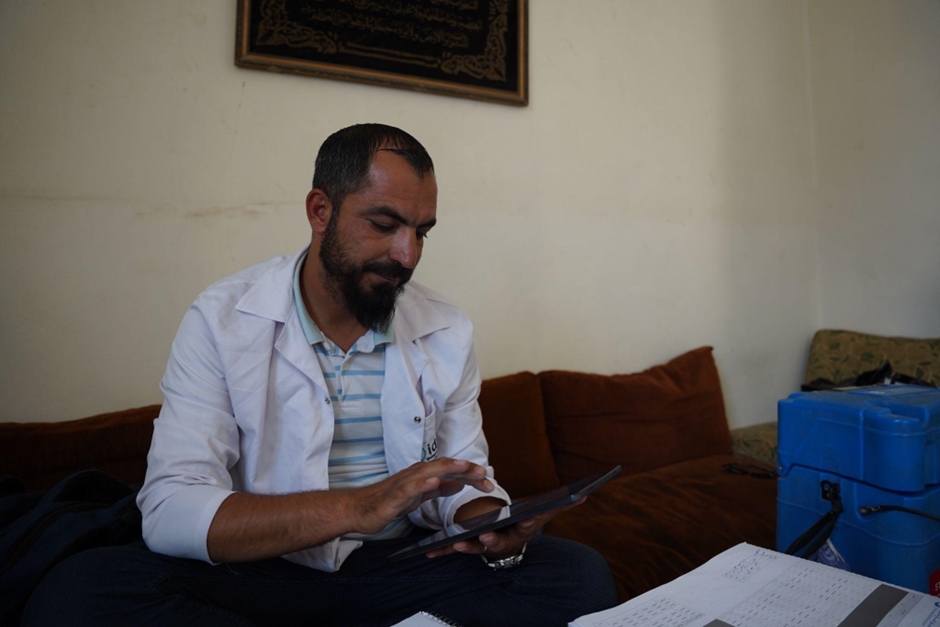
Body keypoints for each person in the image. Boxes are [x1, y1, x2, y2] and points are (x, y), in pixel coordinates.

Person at [25, 124, 616, 626]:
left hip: (396, 571)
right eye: (384, 223)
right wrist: (359, 506)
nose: (407, 254)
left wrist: (486, 520)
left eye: (422, 231)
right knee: (81, 592)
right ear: (319, 210)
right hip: (259, 574)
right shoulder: (223, 318)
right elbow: (172, 507)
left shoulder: (446, 329)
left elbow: (459, 475)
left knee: (576, 574)